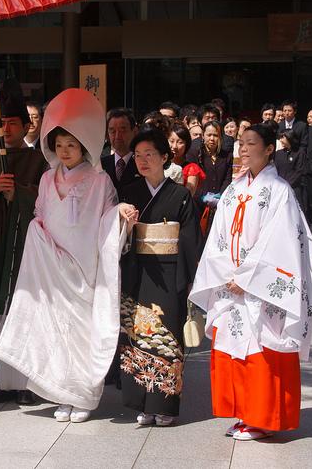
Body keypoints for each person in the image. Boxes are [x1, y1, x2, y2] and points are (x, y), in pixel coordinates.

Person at [0, 88, 125, 424]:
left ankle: (82, 395)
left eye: (72, 145)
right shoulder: (47, 179)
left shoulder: (100, 180)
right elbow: (39, 215)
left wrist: (119, 214)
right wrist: (39, 233)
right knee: (55, 331)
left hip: (82, 268)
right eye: (60, 145)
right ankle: (61, 393)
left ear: (84, 147)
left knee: (80, 332)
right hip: (53, 267)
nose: (65, 151)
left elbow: (106, 218)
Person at [189, 123, 312, 441]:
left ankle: (263, 417)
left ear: (269, 150)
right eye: (241, 143)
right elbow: (219, 238)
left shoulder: (279, 192)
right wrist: (227, 274)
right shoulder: (234, 191)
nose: (245, 148)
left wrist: (249, 278)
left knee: (262, 350)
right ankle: (245, 413)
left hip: (261, 291)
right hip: (231, 282)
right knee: (235, 347)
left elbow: (283, 243)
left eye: (253, 143)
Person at [0, 89, 49, 405]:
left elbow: (47, 202)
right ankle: (2, 380)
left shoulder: (40, 160)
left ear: (26, 126)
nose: (8, 129)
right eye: (3, 123)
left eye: (14, 123)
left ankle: (27, 382)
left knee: (25, 313)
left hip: (26, 249)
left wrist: (20, 195)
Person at [118, 127, 203, 427]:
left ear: (164, 157)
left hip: (169, 274)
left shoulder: (180, 195)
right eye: (138, 155)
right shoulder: (129, 192)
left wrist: (188, 279)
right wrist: (125, 225)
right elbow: (114, 237)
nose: (142, 161)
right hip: (136, 272)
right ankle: (142, 402)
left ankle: (164, 404)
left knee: (167, 337)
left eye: (149, 155)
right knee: (137, 336)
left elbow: (190, 239)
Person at [187, 121, 233, 236]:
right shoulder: (194, 154)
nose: (212, 138)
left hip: (219, 205)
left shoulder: (226, 156)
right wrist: (203, 196)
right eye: (209, 135)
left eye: (216, 135)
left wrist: (220, 196)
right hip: (197, 204)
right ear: (203, 135)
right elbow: (192, 179)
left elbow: (227, 179)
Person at [101, 108, 138, 198]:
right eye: (112, 131)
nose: (117, 136)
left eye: (123, 130)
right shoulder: (100, 165)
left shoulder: (141, 163)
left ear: (135, 131)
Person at [168, 122, 205, 196]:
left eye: (180, 142)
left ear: (186, 145)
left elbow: (187, 195)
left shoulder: (191, 168)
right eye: (171, 141)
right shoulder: (159, 165)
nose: (174, 146)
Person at [275, 130, 307, 211]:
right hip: (280, 188)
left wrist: (288, 184)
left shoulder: (299, 152)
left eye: (283, 137)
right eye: (280, 138)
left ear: (290, 137)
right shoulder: (278, 153)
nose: (280, 140)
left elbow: (299, 170)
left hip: (295, 187)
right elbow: (275, 170)